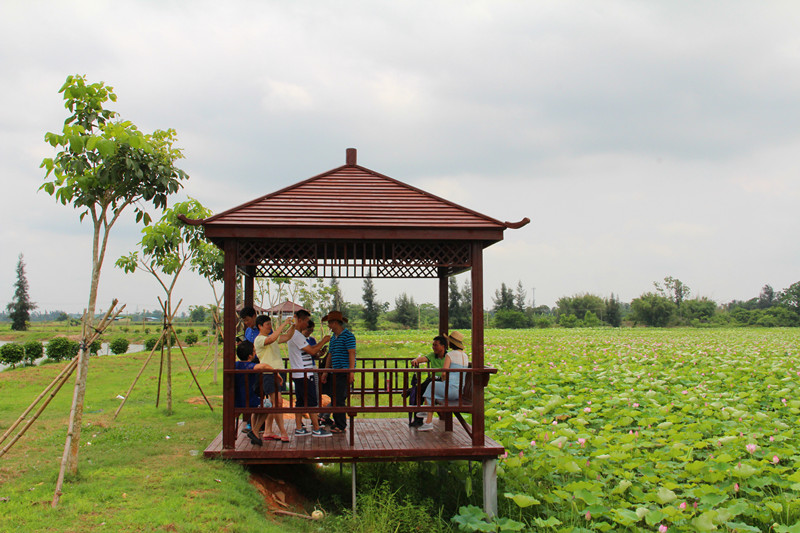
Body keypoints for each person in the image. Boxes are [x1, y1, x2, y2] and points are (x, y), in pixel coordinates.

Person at [287, 309, 332, 437]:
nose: (307, 324)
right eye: (306, 321)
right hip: (304, 374)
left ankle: (299, 427)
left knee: (300, 402)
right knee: (312, 402)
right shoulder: (296, 335)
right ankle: (317, 428)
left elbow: (309, 352)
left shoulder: (296, 335)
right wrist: (323, 341)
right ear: (300, 320)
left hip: (300, 374)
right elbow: (311, 351)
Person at [416, 331, 469, 432]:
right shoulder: (465, 356)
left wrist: (444, 380)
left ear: (450, 343)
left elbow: (444, 373)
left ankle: (426, 412)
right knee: (432, 389)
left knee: (431, 385)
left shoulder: (450, 355)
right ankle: (427, 420)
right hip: (460, 392)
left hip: (450, 390)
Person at [254, 315, 293, 442]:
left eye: (271, 324)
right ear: (260, 326)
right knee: (278, 402)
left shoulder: (273, 338)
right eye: (267, 324)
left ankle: (268, 431)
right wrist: (283, 324)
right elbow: (271, 339)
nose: (270, 326)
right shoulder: (259, 339)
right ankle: (283, 431)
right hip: (268, 373)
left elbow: (287, 337)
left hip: (278, 372)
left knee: (274, 403)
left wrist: (293, 325)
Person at [320, 311, 356, 434]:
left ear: (335, 323)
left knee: (339, 398)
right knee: (335, 397)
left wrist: (351, 372)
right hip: (334, 371)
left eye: (329, 323)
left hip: (344, 371)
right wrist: (326, 371)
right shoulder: (333, 339)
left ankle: (341, 425)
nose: (328, 325)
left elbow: (352, 353)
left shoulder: (348, 336)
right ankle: (338, 421)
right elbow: (330, 355)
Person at [235, 340, 271, 446]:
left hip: (237, 400)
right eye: (254, 351)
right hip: (250, 401)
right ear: (250, 356)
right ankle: (255, 430)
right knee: (268, 405)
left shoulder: (236, 365)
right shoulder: (249, 366)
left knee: (259, 406)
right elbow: (263, 366)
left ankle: (254, 432)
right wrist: (276, 373)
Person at [406, 335, 448, 427]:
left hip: (442, 382)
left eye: (436, 345)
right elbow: (423, 359)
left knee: (419, 391)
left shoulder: (448, 357)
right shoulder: (432, 355)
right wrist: (415, 360)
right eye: (433, 345)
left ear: (443, 346)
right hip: (432, 381)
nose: (433, 347)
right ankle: (418, 420)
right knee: (419, 393)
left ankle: (412, 390)